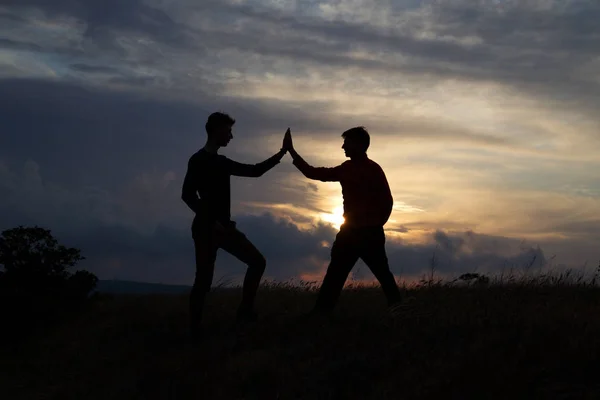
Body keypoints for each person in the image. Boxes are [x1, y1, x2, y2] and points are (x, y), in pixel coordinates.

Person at [182, 112, 287, 339]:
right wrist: (212, 223)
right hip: (205, 230)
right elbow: (187, 195)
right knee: (203, 281)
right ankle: (195, 331)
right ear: (217, 130)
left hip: (225, 229)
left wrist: (281, 153)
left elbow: (254, 171)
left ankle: (245, 312)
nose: (231, 136)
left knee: (257, 262)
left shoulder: (221, 162)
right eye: (228, 131)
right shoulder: (198, 160)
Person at [283, 127, 403, 315]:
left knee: (380, 276)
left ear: (358, 145)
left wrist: (375, 224)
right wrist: (292, 152)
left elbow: (387, 201)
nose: (342, 147)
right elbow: (314, 173)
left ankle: (399, 311)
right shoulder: (347, 168)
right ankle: (321, 314)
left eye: (346, 143)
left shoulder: (372, 169)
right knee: (337, 275)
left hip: (366, 233)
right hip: (351, 233)